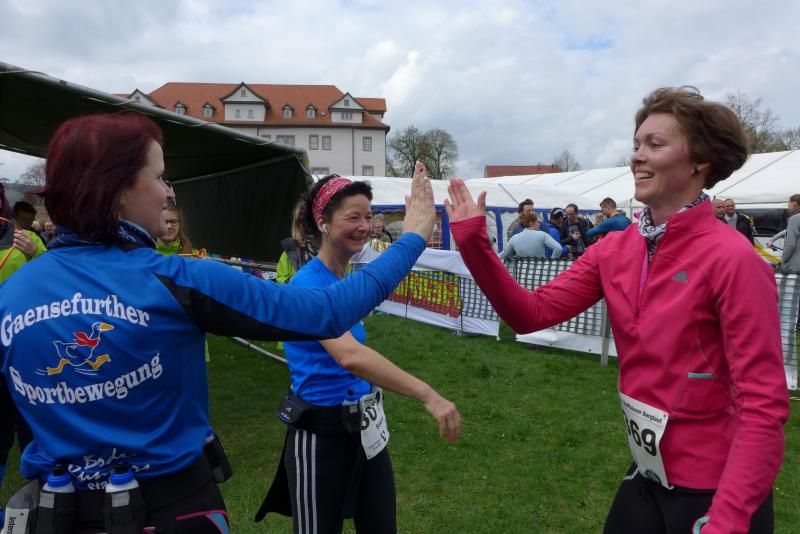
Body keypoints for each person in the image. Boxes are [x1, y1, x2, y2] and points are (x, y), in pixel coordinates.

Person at [0, 112, 435, 532]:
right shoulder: (177, 278)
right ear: (118, 189)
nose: (168, 194)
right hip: (173, 508)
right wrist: (413, 237)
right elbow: (327, 312)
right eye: (159, 178)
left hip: (56, 512)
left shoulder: (11, 294)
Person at [444, 87, 787, 534]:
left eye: (655, 144)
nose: (636, 156)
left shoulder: (734, 259)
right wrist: (474, 245)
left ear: (700, 161)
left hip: (719, 490)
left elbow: (763, 405)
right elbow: (531, 314)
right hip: (650, 472)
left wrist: (729, 519)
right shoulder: (615, 248)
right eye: (636, 144)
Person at [258, 171, 460, 534]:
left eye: (368, 216)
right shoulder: (308, 284)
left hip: (366, 430)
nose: (364, 226)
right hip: (321, 435)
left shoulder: (344, 278)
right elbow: (349, 355)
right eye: (352, 217)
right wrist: (428, 394)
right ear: (323, 223)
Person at [0, 185, 37, 526]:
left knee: (32, 423)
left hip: (25, 349)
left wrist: (35, 254)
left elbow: (55, 274)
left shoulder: (25, 238)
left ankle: (44, 495)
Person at [781, 194, 800, 274]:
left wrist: (784, 260)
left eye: (788, 204)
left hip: (795, 267)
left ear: (794, 204)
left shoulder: (794, 218)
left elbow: (790, 245)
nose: (788, 206)